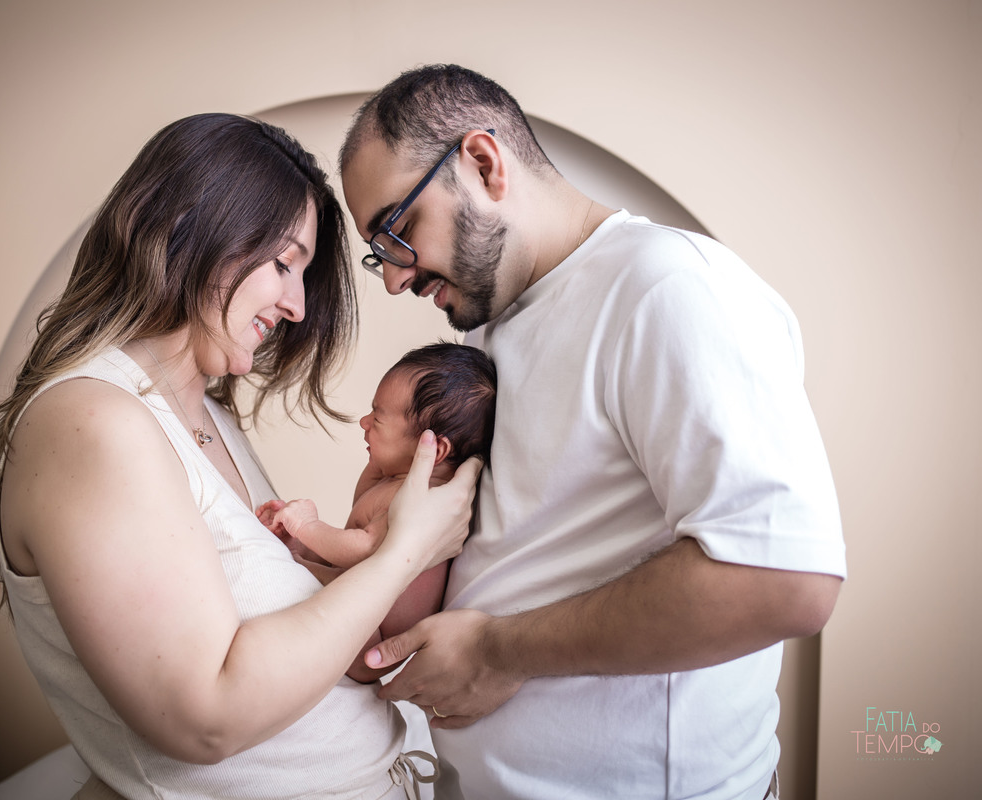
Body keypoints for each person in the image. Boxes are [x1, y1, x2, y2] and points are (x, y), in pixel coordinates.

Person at [337, 65, 847, 800]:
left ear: (483, 163)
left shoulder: (669, 290)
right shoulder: (492, 329)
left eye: (398, 229)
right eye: (379, 252)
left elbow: (783, 579)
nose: (393, 278)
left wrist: (496, 652)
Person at [0, 113, 482, 800]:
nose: (296, 305)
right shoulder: (92, 422)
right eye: (283, 262)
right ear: (187, 230)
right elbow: (204, 717)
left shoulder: (208, 416)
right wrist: (405, 551)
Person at [256, 342, 497, 681]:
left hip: (370, 640)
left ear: (434, 449)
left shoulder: (421, 502)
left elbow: (363, 547)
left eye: (378, 418)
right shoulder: (391, 478)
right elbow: (354, 534)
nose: (364, 421)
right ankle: (299, 556)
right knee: (311, 564)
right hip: (358, 611)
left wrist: (306, 526)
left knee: (307, 570)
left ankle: (298, 561)